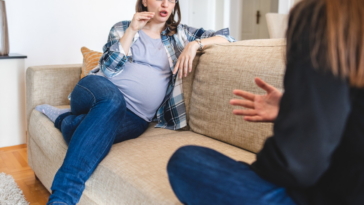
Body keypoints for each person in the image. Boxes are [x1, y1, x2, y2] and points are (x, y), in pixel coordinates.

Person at [35, 0, 235, 204]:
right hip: (97, 90)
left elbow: (228, 37)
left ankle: (64, 121)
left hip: (137, 117)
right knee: (113, 101)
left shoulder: (181, 34)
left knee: (79, 130)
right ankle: (62, 198)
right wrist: (132, 30)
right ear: (145, 1)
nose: (166, 3)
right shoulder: (122, 27)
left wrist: (195, 44)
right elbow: (109, 68)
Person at [167, 0, 364, 204]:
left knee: (186, 161)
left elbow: (297, 165)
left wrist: (194, 44)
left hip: (330, 194)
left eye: (171, 0)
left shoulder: (321, 17)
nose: (166, 4)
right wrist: (295, 108)